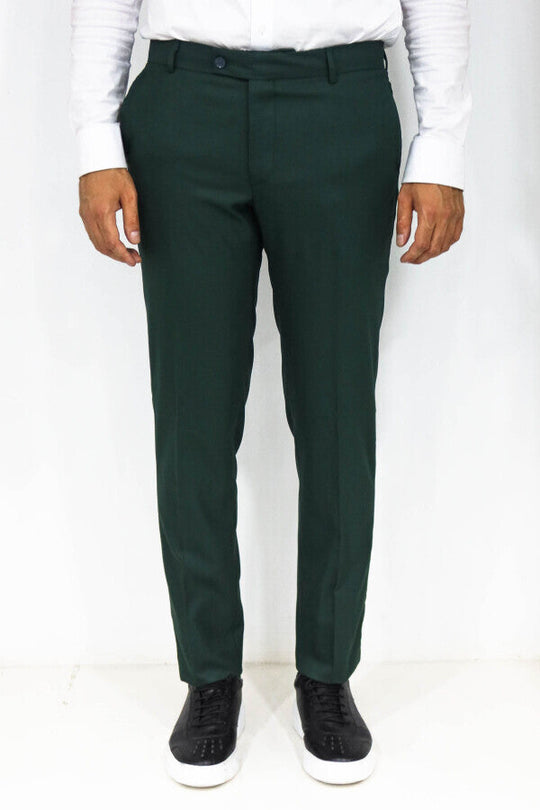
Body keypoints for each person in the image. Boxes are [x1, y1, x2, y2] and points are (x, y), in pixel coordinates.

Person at [69, 0, 471, 789]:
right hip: (184, 108)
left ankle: (327, 674)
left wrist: (442, 146)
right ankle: (209, 676)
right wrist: (95, 139)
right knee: (192, 416)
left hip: (341, 109)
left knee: (336, 414)